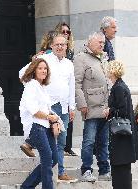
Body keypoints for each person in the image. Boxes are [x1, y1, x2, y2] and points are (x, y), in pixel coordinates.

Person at [19, 34, 77, 182]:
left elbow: (71, 86)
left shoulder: (69, 64)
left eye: (63, 45)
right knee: (49, 151)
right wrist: (36, 89)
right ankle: (50, 172)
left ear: (66, 46)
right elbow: (22, 74)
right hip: (47, 107)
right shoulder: (44, 60)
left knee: (61, 142)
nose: (60, 47)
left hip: (63, 107)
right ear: (51, 45)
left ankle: (60, 172)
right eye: (57, 44)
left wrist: (72, 106)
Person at [74, 31, 111, 182]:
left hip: (105, 108)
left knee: (103, 142)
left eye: (103, 43)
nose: (102, 45)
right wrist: (81, 104)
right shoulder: (80, 58)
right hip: (90, 107)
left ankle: (104, 170)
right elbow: (76, 84)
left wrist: (111, 106)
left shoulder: (104, 58)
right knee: (89, 141)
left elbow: (108, 83)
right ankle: (86, 170)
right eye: (99, 43)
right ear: (90, 43)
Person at [19, 56, 60, 189]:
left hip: (46, 127)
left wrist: (54, 119)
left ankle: (27, 186)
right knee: (47, 158)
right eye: (40, 68)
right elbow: (34, 110)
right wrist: (49, 117)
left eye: (45, 68)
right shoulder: (31, 86)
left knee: (54, 159)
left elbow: (46, 109)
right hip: (36, 127)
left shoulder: (42, 87)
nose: (43, 71)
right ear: (34, 70)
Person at [104, 60, 138, 189]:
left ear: (112, 71)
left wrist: (110, 111)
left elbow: (122, 110)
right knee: (122, 169)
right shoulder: (120, 85)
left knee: (120, 169)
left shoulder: (118, 87)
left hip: (121, 135)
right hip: (123, 135)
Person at [55, 22, 77, 156]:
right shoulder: (50, 53)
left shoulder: (70, 52)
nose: (66, 33)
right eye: (63, 31)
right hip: (54, 97)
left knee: (68, 121)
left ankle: (67, 147)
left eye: (67, 32)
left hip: (67, 92)